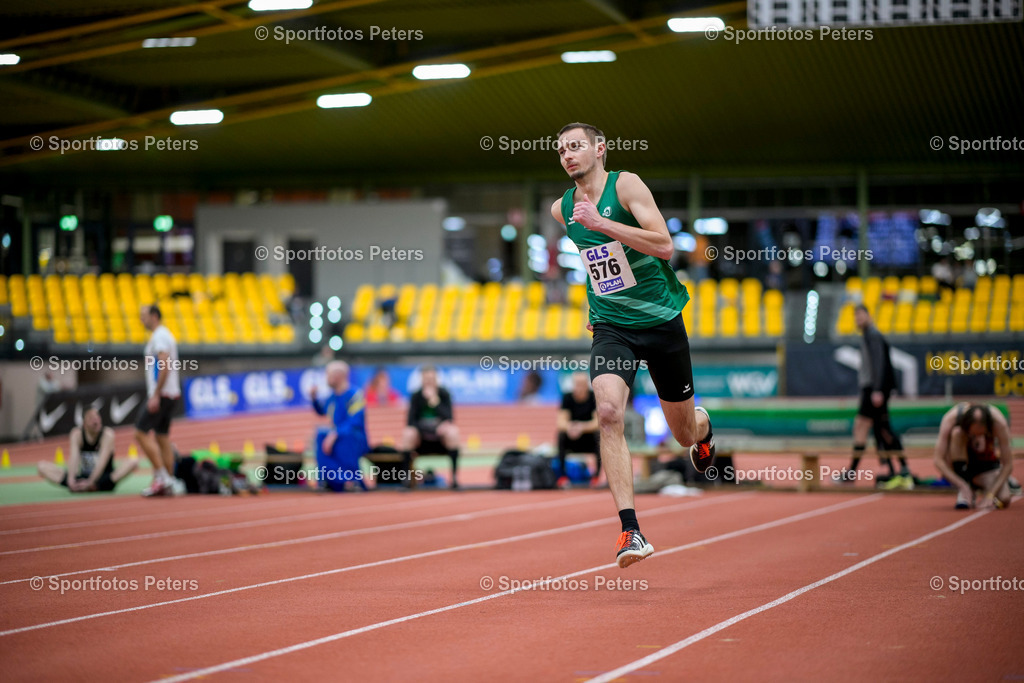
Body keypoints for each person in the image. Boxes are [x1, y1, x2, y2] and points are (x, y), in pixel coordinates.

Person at [550, 122, 715, 569]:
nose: (567, 155)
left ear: (599, 149)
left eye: (576, 146)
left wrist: (603, 222)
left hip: (661, 322)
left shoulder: (626, 185)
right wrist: (595, 300)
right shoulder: (560, 208)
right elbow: (596, 260)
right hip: (612, 327)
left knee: (682, 433)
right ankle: (631, 530)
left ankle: (702, 428)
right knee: (607, 412)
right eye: (561, 150)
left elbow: (664, 246)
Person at [837, 305, 913, 489]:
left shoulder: (873, 336)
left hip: (874, 390)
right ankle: (899, 470)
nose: (858, 319)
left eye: (860, 315)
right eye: (855, 317)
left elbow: (879, 364)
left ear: (868, 316)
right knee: (880, 429)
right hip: (871, 389)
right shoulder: (867, 336)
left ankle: (854, 472)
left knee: (871, 428)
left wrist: (878, 389)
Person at [135, 304, 184, 497]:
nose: (141, 319)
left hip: (162, 394)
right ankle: (168, 479)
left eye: (143, 315)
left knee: (140, 432)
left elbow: (164, 366)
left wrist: (155, 394)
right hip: (170, 393)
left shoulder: (160, 336)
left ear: (154, 316)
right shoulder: (164, 335)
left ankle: (162, 476)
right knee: (162, 436)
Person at [933, 403, 1013, 510]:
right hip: (961, 463)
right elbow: (938, 460)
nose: (977, 438)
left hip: (985, 464)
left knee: (1004, 499)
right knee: (956, 433)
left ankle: (983, 482)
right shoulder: (950, 419)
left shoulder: (998, 423)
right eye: (974, 434)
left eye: (981, 434)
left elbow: (1008, 464)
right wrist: (961, 485)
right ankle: (966, 487)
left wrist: (990, 495)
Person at [38, 408, 137, 492]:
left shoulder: (107, 435)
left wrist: (91, 482)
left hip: (104, 479)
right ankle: (77, 486)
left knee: (133, 462)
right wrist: (71, 480)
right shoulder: (77, 434)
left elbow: (102, 462)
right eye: (91, 418)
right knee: (41, 466)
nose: (96, 421)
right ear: (84, 424)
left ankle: (92, 486)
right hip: (82, 477)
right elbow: (74, 458)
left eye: (97, 417)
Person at [311, 361, 368, 491]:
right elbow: (321, 411)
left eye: (328, 375)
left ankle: (353, 480)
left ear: (338, 376)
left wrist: (335, 433)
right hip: (336, 435)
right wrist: (314, 398)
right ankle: (328, 480)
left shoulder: (355, 394)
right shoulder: (332, 397)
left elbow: (356, 420)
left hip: (355, 437)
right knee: (321, 435)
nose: (326, 378)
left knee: (346, 437)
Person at [401, 365, 461, 489]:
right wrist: (425, 429)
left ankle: (454, 478)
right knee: (408, 433)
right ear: (421, 379)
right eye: (426, 379)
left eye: (431, 379)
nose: (429, 382)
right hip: (421, 440)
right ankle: (406, 478)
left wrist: (434, 400)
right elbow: (410, 421)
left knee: (453, 431)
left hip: (441, 440)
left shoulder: (444, 394)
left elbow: (449, 417)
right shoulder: (416, 396)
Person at [556, 372, 601, 488]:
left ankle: (596, 476)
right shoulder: (567, 397)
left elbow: (597, 423)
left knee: (599, 436)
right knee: (561, 435)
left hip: (588, 438)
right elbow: (561, 422)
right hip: (572, 438)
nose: (579, 387)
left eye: (582, 384)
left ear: (587, 385)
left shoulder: (593, 397)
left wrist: (581, 427)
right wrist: (571, 427)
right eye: (577, 384)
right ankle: (563, 477)